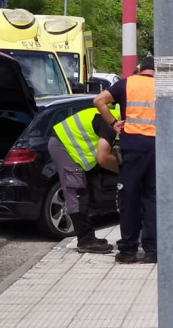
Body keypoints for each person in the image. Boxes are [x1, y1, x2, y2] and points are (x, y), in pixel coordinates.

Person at [93, 55, 173, 264]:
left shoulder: (126, 83)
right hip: (159, 150)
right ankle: (153, 251)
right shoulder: (166, 87)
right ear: (157, 71)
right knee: (154, 199)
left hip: (133, 149)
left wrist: (114, 123)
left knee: (129, 198)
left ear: (140, 69)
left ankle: (128, 250)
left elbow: (98, 101)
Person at [49, 107, 120, 253]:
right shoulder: (109, 122)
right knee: (78, 194)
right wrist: (123, 171)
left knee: (88, 191)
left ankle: (89, 236)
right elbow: (103, 157)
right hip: (64, 147)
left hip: (70, 148)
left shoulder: (109, 116)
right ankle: (85, 241)